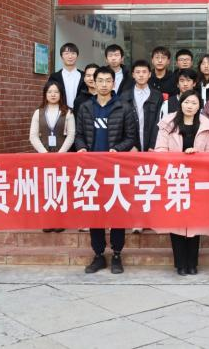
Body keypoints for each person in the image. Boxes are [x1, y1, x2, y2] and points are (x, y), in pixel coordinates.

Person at [75, 66, 138, 274]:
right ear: (93, 82)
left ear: (113, 83)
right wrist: (81, 147)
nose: (103, 84)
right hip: (92, 170)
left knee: (117, 211)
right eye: (100, 80)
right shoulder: (85, 107)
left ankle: (117, 254)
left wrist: (117, 149)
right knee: (95, 213)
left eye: (107, 80)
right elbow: (79, 134)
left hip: (115, 169)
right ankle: (99, 254)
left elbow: (131, 137)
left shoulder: (124, 107)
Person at [155, 90, 209, 275]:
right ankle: (180, 264)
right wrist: (181, 156)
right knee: (175, 222)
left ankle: (192, 263)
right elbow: (160, 151)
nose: (190, 106)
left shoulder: (206, 126)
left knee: (195, 223)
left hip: (198, 180)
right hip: (175, 178)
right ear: (180, 103)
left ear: (199, 106)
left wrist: (196, 155)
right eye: (186, 102)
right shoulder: (168, 124)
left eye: (194, 103)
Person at [29, 80, 75, 233]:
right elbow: (33, 136)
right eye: (50, 92)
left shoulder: (68, 112)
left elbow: (71, 135)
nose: (53, 95)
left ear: (61, 94)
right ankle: (47, 221)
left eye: (56, 92)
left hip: (62, 155)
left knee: (61, 187)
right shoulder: (38, 112)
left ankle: (60, 220)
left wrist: (61, 154)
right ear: (45, 94)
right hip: (44, 155)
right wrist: (44, 154)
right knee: (45, 187)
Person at [119, 60, 164, 154]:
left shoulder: (157, 96)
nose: (141, 75)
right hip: (132, 147)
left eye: (144, 72)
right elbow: (122, 123)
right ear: (133, 75)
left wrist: (153, 145)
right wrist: (130, 145)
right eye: (138, 72)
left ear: (149, 74)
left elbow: (159, 121)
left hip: (152, 145)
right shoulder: (125, 96)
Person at [48, 42, 87, 110]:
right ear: (61, 56)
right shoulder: (54, 77)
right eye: (66, 53)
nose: (70, 56)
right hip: (60, 112)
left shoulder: (84, 76)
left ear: (77, 56)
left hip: (81, 113)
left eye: (73, 53)